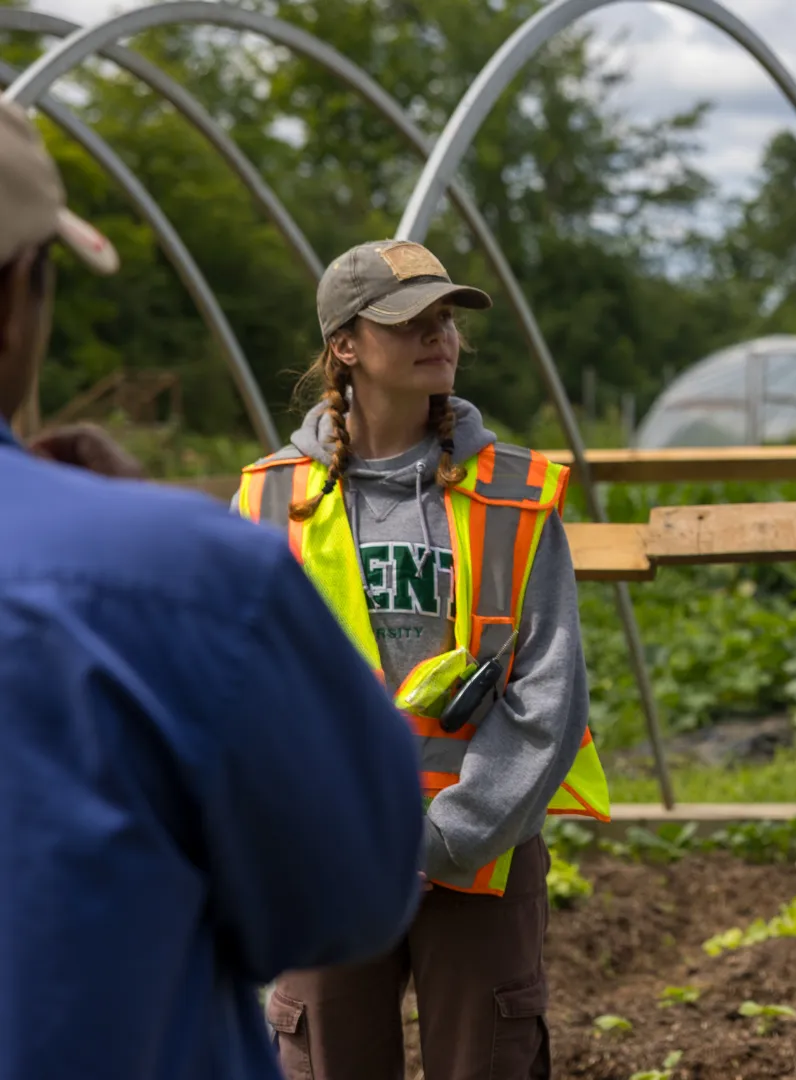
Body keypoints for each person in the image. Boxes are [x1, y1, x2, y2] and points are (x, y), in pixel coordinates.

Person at [0, 101, 425, 1080]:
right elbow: (348, 891)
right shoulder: (184, 574)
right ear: (20, 292)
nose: (439, 340)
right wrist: (135, 536)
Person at [236, 238, 613, 1080]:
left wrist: (444, 840)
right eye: (409, 320)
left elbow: (548, 692)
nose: (438, 335)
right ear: (345, 345)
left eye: (446, 317)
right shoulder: (269, 498)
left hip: (478, 858)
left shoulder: (515, 495)